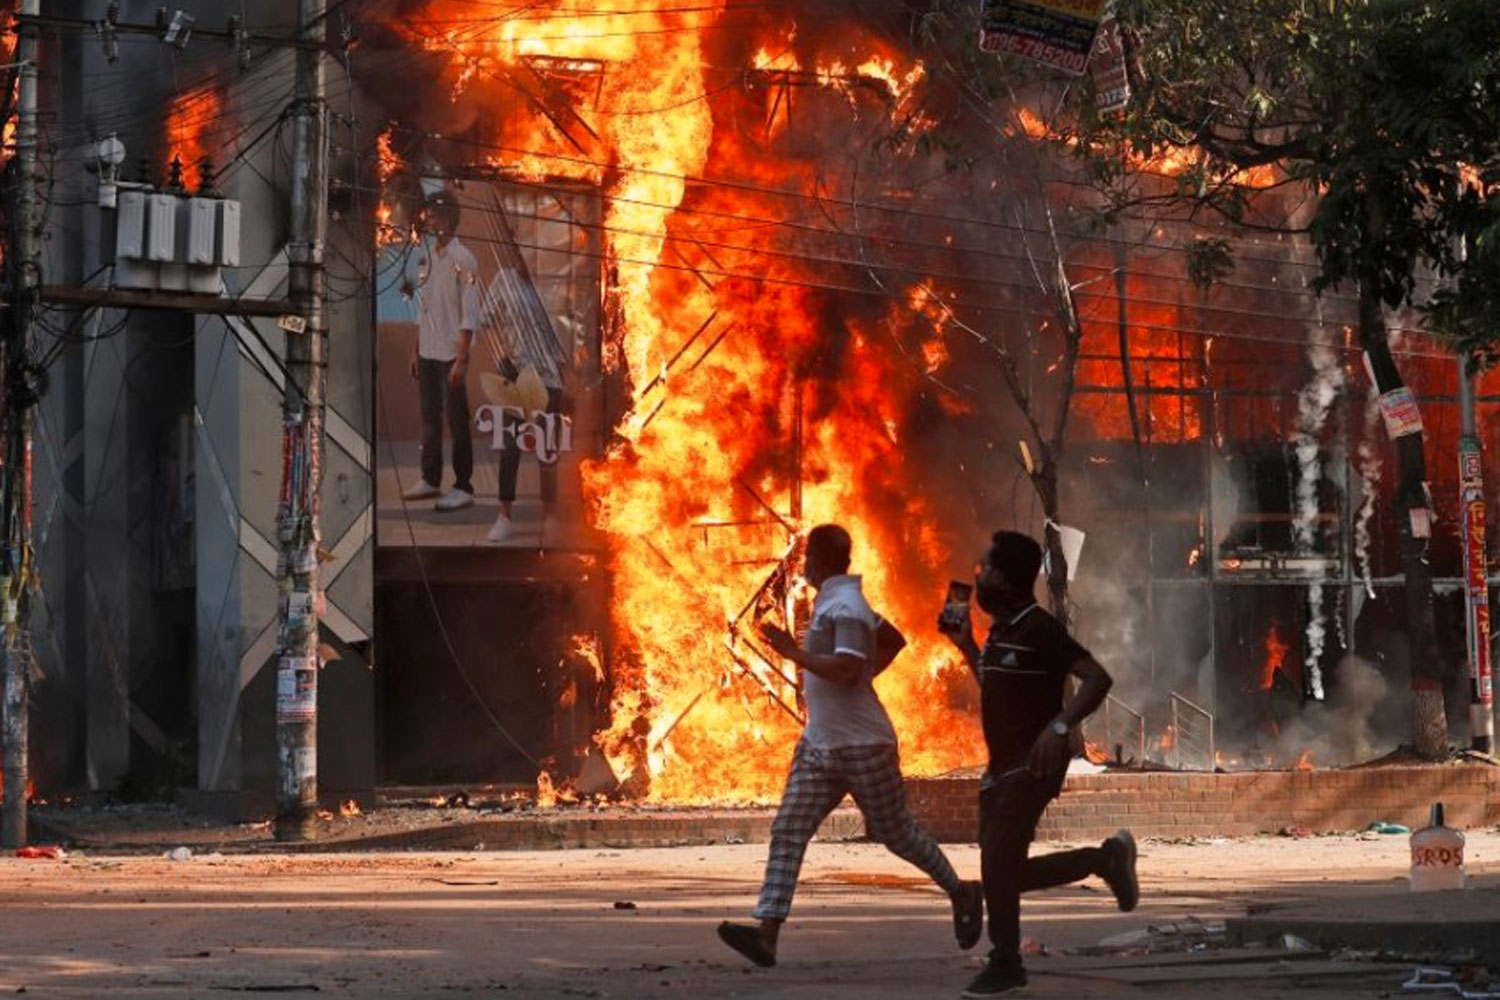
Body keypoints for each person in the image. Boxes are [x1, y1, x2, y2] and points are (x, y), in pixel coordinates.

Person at [717, 523, 984, 968]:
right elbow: (892, 640)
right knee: (788, 829)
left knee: (898, 835)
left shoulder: (846, 607)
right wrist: (865, 675)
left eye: (806, 560)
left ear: (818, 562)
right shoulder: (837, 600)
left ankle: (962, 891)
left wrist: (792, 653)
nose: (802, 566)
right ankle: (766, 934)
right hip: (820, 744)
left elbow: (843, 669)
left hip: (864, 745)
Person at [938, 530, 1139, 998]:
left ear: (1005, 579)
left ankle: (1006, 963)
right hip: (1000, 768)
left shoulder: (1039, 628)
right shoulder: (1002, 631)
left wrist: (1060, 728)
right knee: (1003, 873)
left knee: (997, 865)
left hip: (1034, 766)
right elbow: (996, 685)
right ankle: (1105, 860)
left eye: (984, 569)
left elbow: (1096, 678)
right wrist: (967, 645)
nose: (977, 576)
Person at [400, 191, 480, 513]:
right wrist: (415, 350)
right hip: (429, 352)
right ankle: (430, 478)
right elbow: (424, 308)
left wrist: (462, 359)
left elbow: (470, 312)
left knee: (456, 421)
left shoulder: (465, 259)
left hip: (451, 355)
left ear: (447, 218)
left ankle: (464, 486)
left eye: (433, 215)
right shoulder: (427, 258)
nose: (428, 220)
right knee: (429, 419)